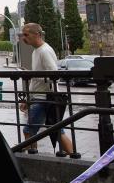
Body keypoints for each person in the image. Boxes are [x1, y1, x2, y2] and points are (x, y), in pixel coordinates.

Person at [19, 22, 74, 156]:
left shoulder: (44, 50)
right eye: (22, 35)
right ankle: (74, 155)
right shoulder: (37, 51)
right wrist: (29, 98)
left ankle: (32, 157)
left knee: (29, 130)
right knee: (56, 130)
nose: (23, 38)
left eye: (26, 35)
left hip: (45, 98)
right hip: (41, 97)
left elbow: (53, 74)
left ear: (37, 34)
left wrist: (33, 76)